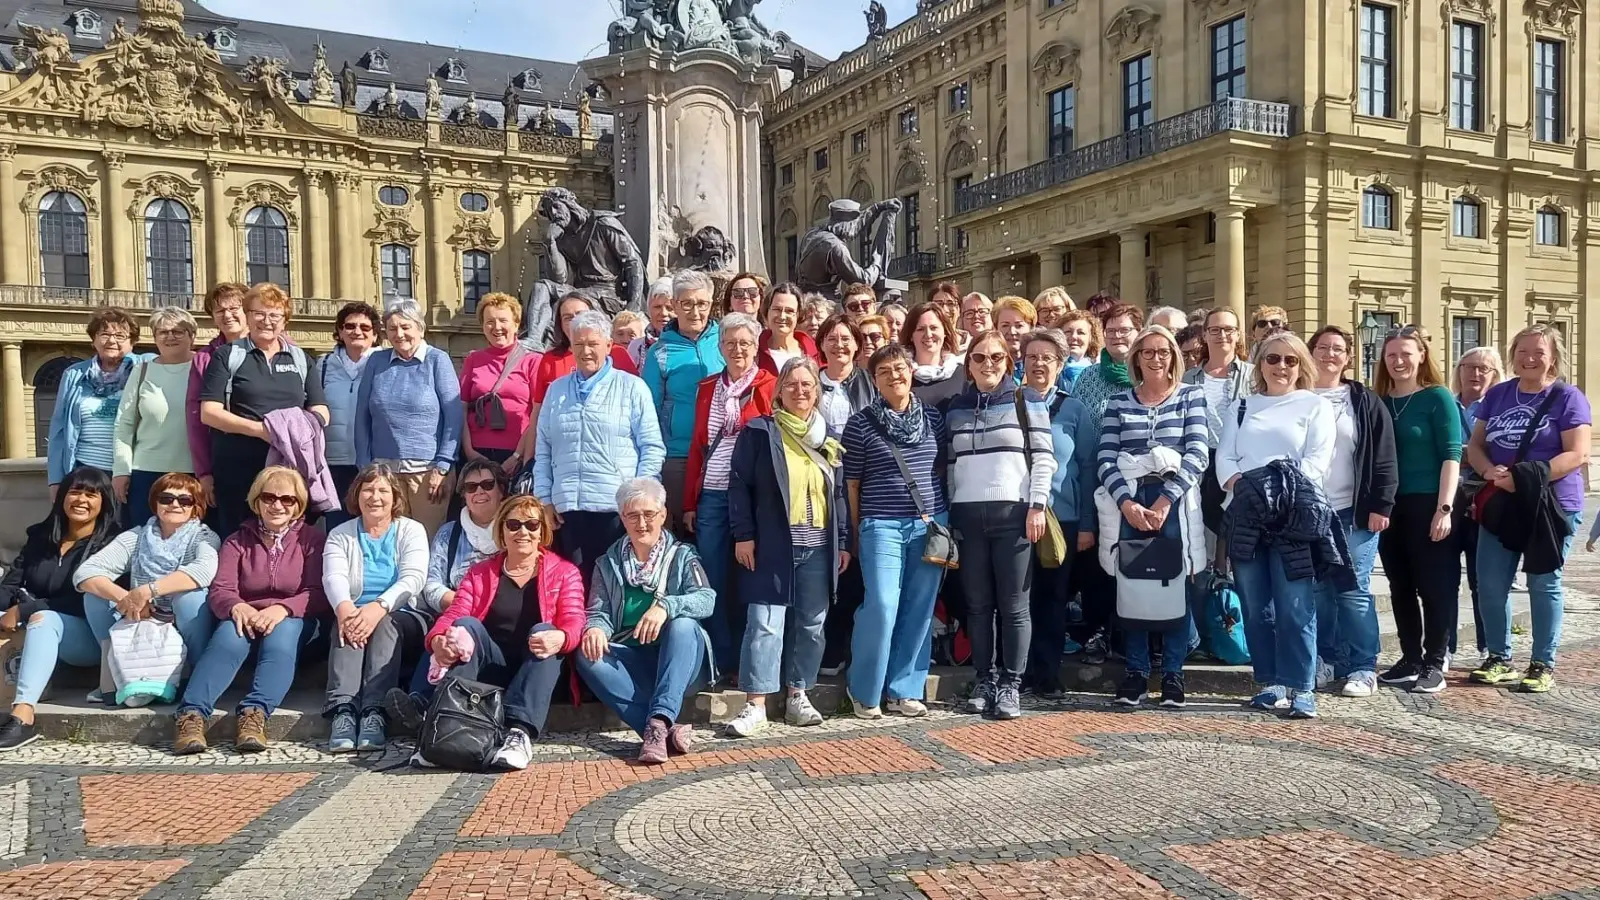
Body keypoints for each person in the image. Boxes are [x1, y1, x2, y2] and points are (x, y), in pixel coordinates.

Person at [391, 494, 585, 770]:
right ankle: (445, 731)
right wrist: (437, 640)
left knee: (547, 633)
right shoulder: (481, 573)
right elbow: (455, 612)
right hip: (491, 665)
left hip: (535, 669)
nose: (523, 532)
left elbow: (575, 620)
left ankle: (519, 734)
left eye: (531, 525)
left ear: (542, 531)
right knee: (465, 626)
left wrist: (563, 637)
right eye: (514, 525)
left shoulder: (565, 572)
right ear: (502, 531)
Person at [725, 357, 851, 737]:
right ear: (779, 390)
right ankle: (756, 704)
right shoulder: (760, 432)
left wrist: (843, 540)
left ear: (817, 391)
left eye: (807, 385)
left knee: (811, 625)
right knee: (765, 624)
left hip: (818, 547)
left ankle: (799, 694)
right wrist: (743, 534)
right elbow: (739, 484)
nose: (800, 391)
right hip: (772, 545)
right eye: (792, 384)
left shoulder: (827, 437)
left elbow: (839, 494)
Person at [1217, 332, 1335, 719]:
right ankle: (1270, 682)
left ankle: (1302, 685)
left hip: (1293, 518)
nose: (1281, 367)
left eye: (1289, 360)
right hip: (1248, 516)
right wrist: (1246, 489)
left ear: (1301, 365)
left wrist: (1277, 491)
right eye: (1272, 359)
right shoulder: (1242, 406)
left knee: (1295, 606)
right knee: (1255, 606)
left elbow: (1317, 462)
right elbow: (1226, 458)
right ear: (1259, 364)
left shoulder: (1313, 405)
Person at [1468, 325, 1591, 693]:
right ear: (1513, 354)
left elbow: (1577, 453)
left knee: (1543, 582)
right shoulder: (1500, 394)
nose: (1530, 358)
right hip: (1502, 502)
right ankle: (1498, 656)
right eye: (1522, 351)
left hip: (1551, 504)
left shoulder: (1568, 397)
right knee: (1489, 583)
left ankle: (1542, 662)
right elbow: (1475, 445)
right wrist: (1488, 469)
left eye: (1538, 351)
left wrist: (1524, 477)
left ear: (1553, 355)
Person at [172, 468, 324, 754]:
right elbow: (220, 589)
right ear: (257, 501)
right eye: (269, 497)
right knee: (229, 637)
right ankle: (191, 715)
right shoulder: (236, 541)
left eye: (287, 499)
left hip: (292, 618)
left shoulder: (312, 541)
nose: (277, 505)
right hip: (247, 614)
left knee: (282, 639)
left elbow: (317, 593)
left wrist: (283, 608)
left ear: (298, 505)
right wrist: (237, 605)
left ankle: (254, 715)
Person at [945, 331, 1056, 720]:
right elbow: (948, 467)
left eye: (996, 357)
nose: (988, 364)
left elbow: (1044, 458)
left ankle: (1011, 683)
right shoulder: (955, 407)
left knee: (1014, 606)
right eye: (979, 358)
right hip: (967, 517)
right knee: (977, 607)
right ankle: (984, 678)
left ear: (1009, 363)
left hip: (1015, 516)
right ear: (968, 364)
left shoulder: (1028, 400)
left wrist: (1037, 506)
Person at [1099, 325, 1208, 708]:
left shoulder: (1191, 397)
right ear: (1137, 358)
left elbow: (1197, 453)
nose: (1156, 358)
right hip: (1130, 500)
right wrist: (1127, 502)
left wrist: (1164, 501)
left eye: (1164, 352)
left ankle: (1174, 674)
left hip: (1173, 501)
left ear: (1174, 358)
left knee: (1174, 585)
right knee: (1133, 586)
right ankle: (1136, 672)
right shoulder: (1118, 402)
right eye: (1148, 352)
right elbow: (1105, 457)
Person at [842, 344, 948, 718]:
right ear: (874, 380)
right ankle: (864, 688)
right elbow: (851, 484)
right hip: (879, 525)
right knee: (883, 605)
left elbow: (939, 471)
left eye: (899, 368)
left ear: (911, 371)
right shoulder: (860, 423)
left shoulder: (934, 419)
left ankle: (904, 688)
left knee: (919, 608)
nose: (894, 376)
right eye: (884, 371)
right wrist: (856, 533)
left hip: (928, 525)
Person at [577, 478, 715, 763]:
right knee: (586, 652)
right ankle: (659, 728)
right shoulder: (608, 563)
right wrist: (596, 629)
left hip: (680, 663)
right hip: (633, 663)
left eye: (649, 514)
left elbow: (706, 599)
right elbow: (598, 612)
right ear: (622, 519)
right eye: (633, 515)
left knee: (684, 625)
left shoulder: (682, 555)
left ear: (663, 515)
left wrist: (667, 605)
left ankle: (660, 716)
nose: (642, 523)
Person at [534, 310, 666, 582]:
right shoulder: (556, 390)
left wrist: (638, 498)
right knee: (572, 588)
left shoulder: (632, 387)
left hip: (615, 510)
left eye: (593, 344)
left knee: (612, 587)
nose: (586, 352)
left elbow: (652, 447)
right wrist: (544, 500)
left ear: (608, 345)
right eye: (579, 344)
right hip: (567, 510)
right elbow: (543, 450)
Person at [0, 467, 121, 750]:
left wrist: (24, 611)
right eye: (75, 491)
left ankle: (23, 716)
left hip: (87, 639)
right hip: (35, 627)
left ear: (104, 502)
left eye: (91, 494)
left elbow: (83, 601)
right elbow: (11, 584)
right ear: (62, 497)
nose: (81, 499)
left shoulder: (113, 543)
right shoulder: (42, 536)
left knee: (44, 618)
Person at [681, 313, 774, 675]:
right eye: (730, 343)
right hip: (713, 495)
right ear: (719, 347)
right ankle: (722, 658)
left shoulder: (768, 385)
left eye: (745, 343)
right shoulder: (708, 388)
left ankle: (752, 660)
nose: (737, 349)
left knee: (751, 579)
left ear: (756, 347)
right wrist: (690, 501)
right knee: (713, 579)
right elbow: (697, 446)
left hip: (753, 498)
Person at [75, 472, 221, 699]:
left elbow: (203, 571)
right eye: (166, 498)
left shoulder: (204, 537)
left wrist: (146, 591)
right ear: (155, 503)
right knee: (93, 596)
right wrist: (127, 598)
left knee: (191, 598)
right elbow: (85, 573)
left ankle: (193, 676)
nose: (174, 504)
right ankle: (112, 676)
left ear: (196, 508)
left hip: (177, 616)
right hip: (139, 617)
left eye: (184, 500)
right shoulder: (137, 536)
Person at [199, 284, 329, 537]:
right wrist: (261, 431)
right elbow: (209, 412)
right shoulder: (227, 355)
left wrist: (294, 429)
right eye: (258, 313)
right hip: (238, 470)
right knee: (239, 538)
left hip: (290, 469)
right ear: (247, 316)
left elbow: (321, 411)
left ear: (285, 321)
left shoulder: (301, 359)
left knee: (292, 537)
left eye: (274, 315)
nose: (266, 321)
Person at [1308, 326, 1395, 699]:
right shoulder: (1296, 396)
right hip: (1308, 512)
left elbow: (1384, 455)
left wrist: (1381, 504)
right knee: (1317, 591)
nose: (1330, 354)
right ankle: (1326, 659)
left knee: (1353, 590)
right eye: (1323, 347)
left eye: (1338, 349)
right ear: (1310, 352)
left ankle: (1362, 666)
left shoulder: (1363, 399)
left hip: (1353, 513)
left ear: (1348, 358)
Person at [1372, 326, 1460, 694]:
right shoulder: (1379, 399)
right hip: (1390, 505)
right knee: (1401, 585)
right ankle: (1410, 657)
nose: (1398, 361)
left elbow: (1451, 454)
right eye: (1391, 355)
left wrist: (1444, 508)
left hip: (1428, 501)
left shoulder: (1437, 398)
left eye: (1406, 353)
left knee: (1435, 586)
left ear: (1421, 355)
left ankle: (1435, 660)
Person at [322, 465, 430, 753]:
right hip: (356, 612)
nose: (375, 496)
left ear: (395, 497)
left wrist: (379, 607)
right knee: (346, 623)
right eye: (368, 489)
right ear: (356, 495)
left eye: (383, 490)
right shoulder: (339, 534)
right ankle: (343, 711)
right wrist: (345, 608)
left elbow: (413, 578)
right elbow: (334, 577)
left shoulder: (411, 530)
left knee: (383, 623)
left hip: (405, 615)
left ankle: (374, 712)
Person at [1018, 330, 1097, 699]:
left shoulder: (1074, 410)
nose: (1039, 364)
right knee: (1017, 598)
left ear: (1061, 364)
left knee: (1052, 598)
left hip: (1061, 519)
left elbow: (1088, 467)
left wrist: (1086, 525)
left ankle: (1046, 673)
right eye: (1032, 356)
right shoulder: (1010, 403)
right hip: (1016, 516)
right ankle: (1017, 672)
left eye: (1047, 358)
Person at [354, 300, 464, 539]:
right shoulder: (376, 361)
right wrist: (365, 467)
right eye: (392, 329)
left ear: (420, 329)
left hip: (427, 473)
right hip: (384, 473)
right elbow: (362, 415)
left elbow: (454, 416)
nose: (399, 334)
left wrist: (443, 466)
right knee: (389, 538)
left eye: (405, 327)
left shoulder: (438, 360)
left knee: (427, 540)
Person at [645, 270, 725, 530]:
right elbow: (650, 410)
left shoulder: (725, 341)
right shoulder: (660, 352)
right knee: (681, 531)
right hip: (678, 456)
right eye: (687, 303)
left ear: (711, 305)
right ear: (675, 305)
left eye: (701, 303)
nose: (695, 311)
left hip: (722, 453)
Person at [47, 307, 143, 498]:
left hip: (133, 471)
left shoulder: (145, 369)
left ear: (132, 343)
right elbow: (58, 430)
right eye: (104, 334)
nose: (112, 340)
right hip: (85, 471)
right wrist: (56, 480)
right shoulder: (73, 374)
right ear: (94, 340)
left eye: (120, 335)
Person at [113, 307, 196, 525]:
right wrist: (121, 471)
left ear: (192, 336)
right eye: (162, 332)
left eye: (178, 331)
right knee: (142, 538)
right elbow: (124, 424)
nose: (170, 336)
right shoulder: (142, 371)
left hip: (194, 473)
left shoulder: (205, 367)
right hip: (146, 473)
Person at [527, 293, 640, 449]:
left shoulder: (617, 353)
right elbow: (537, 414)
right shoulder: (550, 359)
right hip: (562, 448)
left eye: (580, 314)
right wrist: (528, 458)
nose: (574, 321)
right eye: (567, 318)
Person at [1181, 308, 1254, 536]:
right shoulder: (1187, 378)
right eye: (1215, 329)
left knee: (1235, 525)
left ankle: (1227, 569)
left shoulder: (1254, 376)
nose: (1222, 335)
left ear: (1238, 334)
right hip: (1200, 459)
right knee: (1203, 523)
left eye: (1228, 329)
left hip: (1238, 460)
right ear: (1205, 334)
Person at [1455, 346, 1504, 659]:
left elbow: (1498, 452)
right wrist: (1470, 452)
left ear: (1495, 374)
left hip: (1486, 502)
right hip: (1447, 500)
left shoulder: (1500, 409)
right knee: (1443, 580)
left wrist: (1464, 453)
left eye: (1483, 369)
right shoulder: (1446, 403)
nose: (1475, 374)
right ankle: (1443, 649)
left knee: (1483, 580)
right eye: (1469, 367)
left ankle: (1489, 647)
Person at [316, 302, 382, 529]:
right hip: (333, 462)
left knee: (374, 526)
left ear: (375, 335)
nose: (357, 331)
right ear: (340, 331)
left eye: (365, 327)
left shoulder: (384, 364)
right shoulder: (323, 365)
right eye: (350, 326)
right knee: (337, 529)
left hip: (374, 462)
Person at [459, 293, 540, 475]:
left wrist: (518, 456)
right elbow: (461, 409)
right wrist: (470, 451)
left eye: (503, 320)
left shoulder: (533, 361)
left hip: (516, 452)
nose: (497, 327)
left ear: (516, 324)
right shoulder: (473, 360)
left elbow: (537, 412)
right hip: (477, 453)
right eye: (489, 321)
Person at [187, 283, 250, 509]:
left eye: (235, 308)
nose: (227, 315)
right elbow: (196, 419)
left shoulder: (277, 347)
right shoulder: (204, 358)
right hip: (225, 458)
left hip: (270, 452)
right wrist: (204, 473)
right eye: (220, 310)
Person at [425, 459, 509, 617]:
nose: (479, 491)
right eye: (471, 487)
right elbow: (432, 584)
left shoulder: (517, 528)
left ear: (501, 490)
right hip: (459, 616)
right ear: (464, 495)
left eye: (487, 484)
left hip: (505, 618)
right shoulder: (448, 533)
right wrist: (465, 604)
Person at [816, 314, 874, 431]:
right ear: (822, 344)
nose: (839, 345)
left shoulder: (872, 382)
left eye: (845, 339)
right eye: (832, 339)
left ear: (857, 344)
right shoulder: (811, 383)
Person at [903, 301, 965, 406]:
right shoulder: (902, 375)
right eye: (921, 329)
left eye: (933, 328)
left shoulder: (964, 374)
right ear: (911, 336)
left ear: (945, 332)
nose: (928, 334)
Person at [758, 282, 819, 376]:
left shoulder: (815, 352)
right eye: (777, 309)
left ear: (799, 314)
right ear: (767, 311)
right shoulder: (754, 351)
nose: (782, 316)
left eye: (789, 311)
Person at [627, 277, 676, 367]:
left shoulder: (689, 345)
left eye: (670, 308)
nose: (663, 313)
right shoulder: (635, 347)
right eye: (657, 307)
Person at [992, 296, 1037, 383]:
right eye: (1005, 325)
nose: (1012, 332)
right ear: (995, 328)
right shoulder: (987, 365)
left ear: (1031, 328)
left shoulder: (1041, 363)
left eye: (1019, 325)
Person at [1056, 309, 1101, 389]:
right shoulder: (1051, 368)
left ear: (1091, 338)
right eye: (1068, 332)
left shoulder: (1100, 370)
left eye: (1081, 333)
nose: (1074, 337)